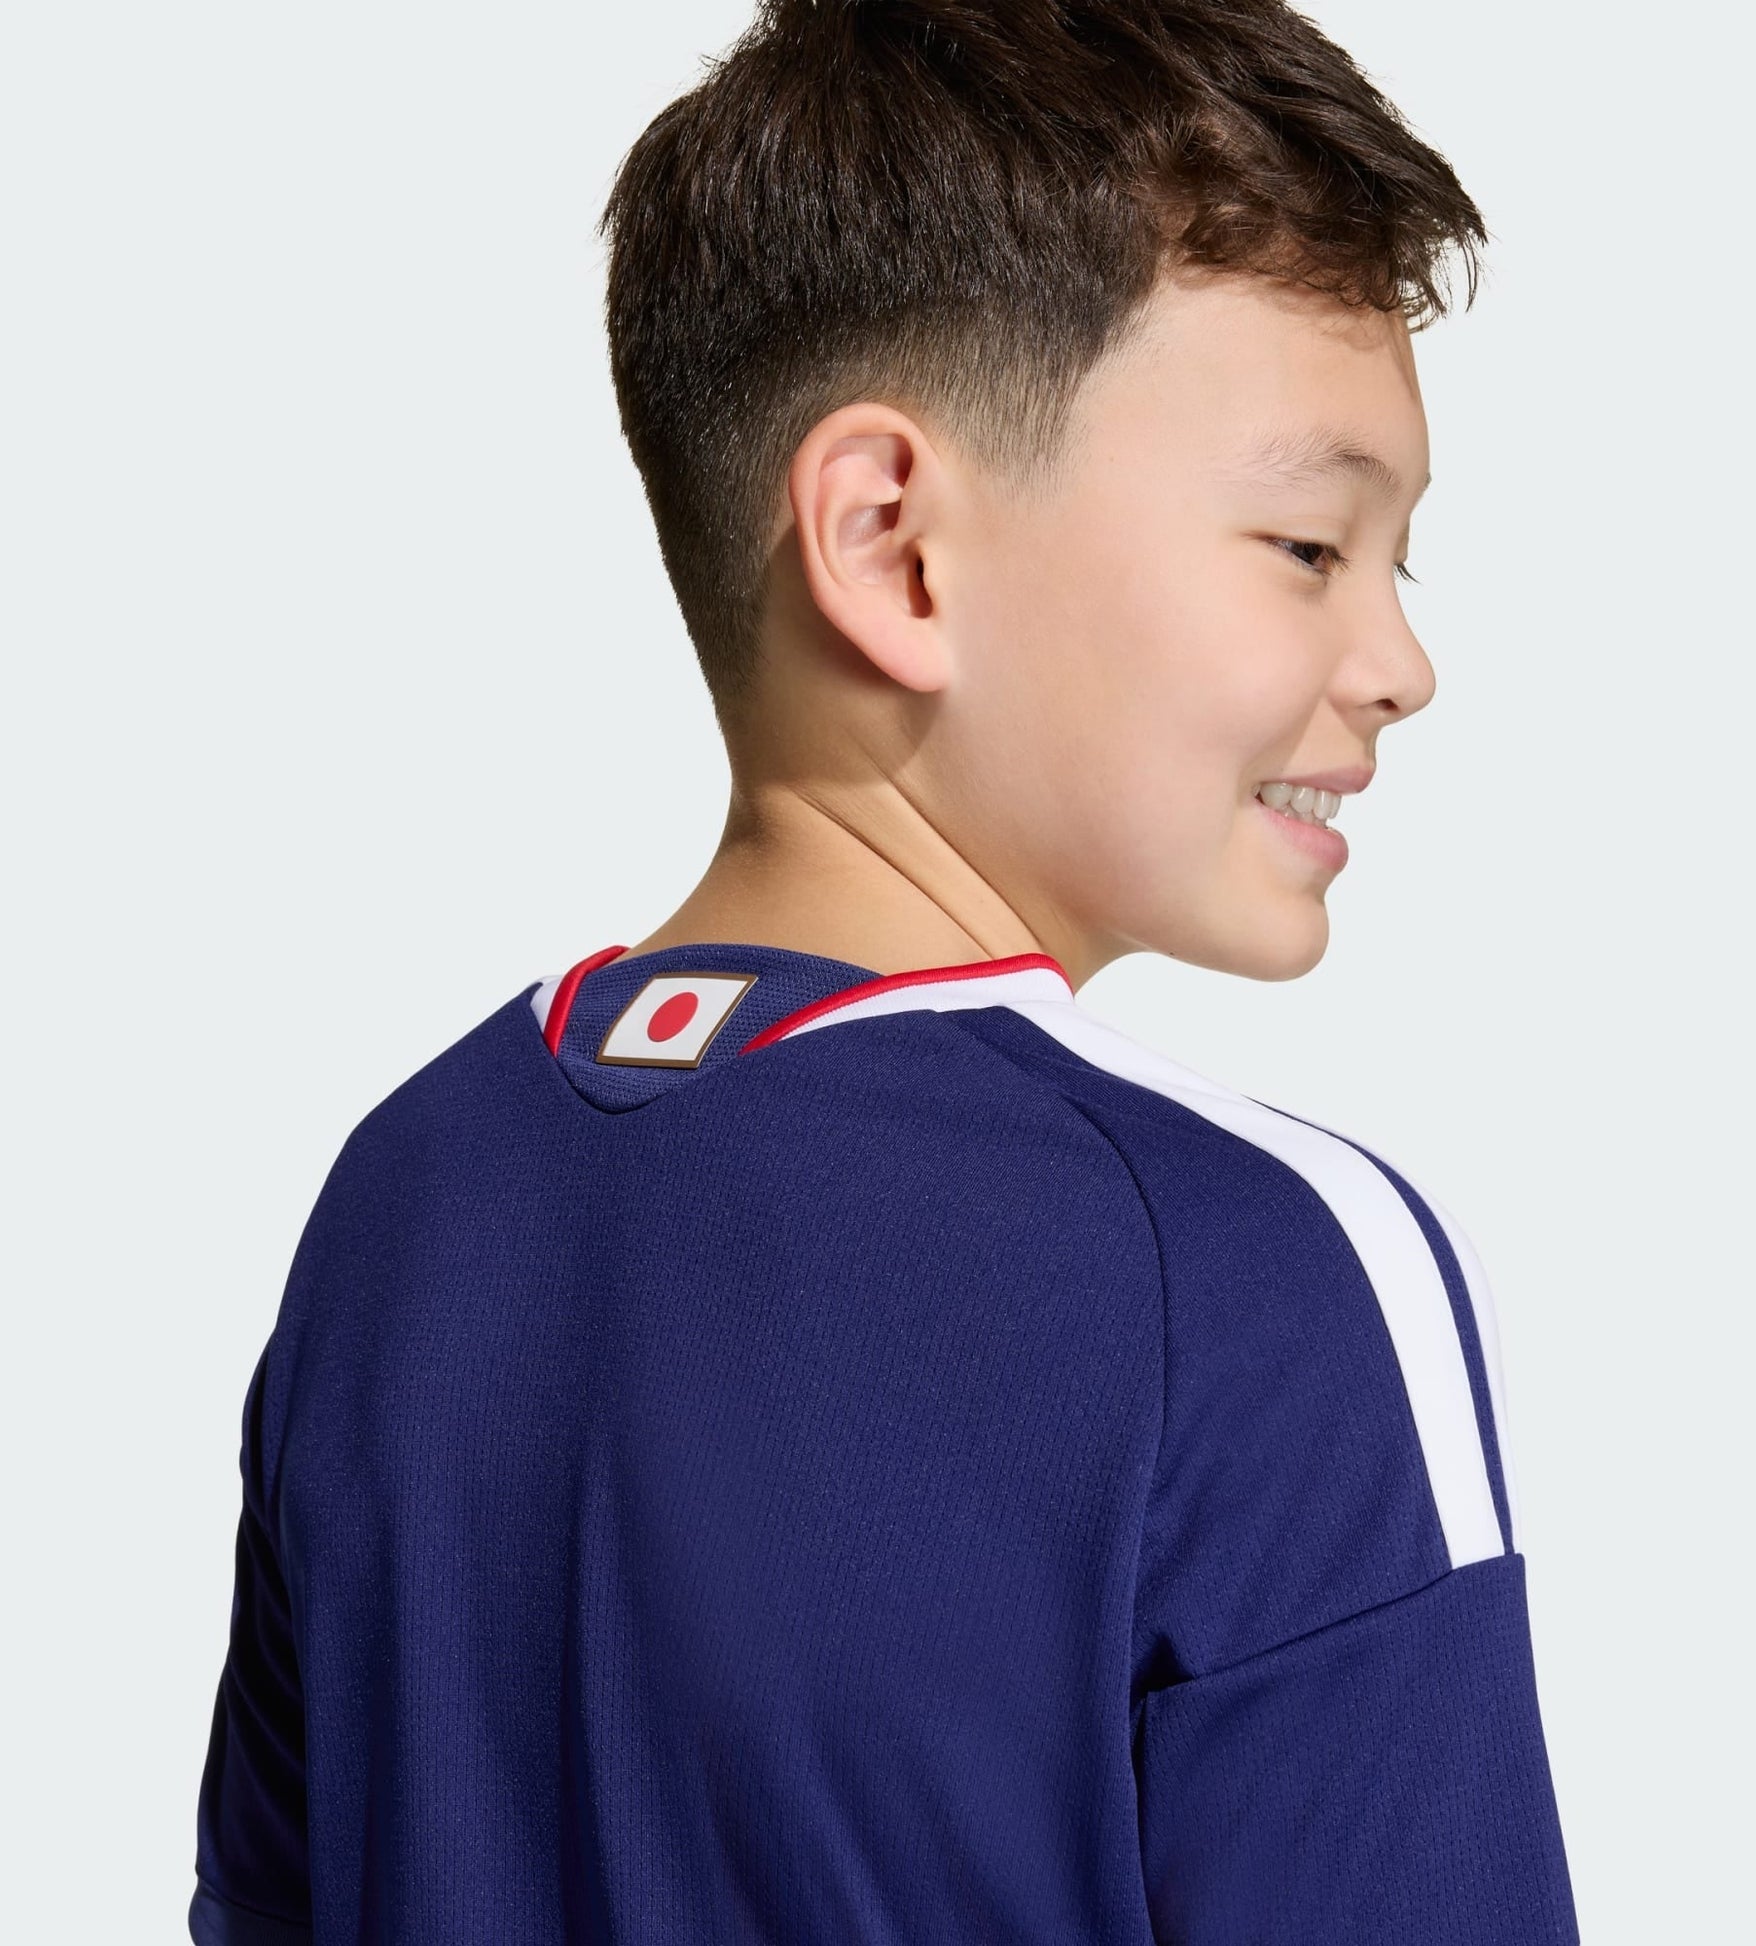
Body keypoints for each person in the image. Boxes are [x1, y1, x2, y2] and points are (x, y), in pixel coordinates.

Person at [189, 2, 1581, 1940]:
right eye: (1305, 544)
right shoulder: (1244, 1272)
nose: (1398, 665)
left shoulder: (403, 1196)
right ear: (890, 546)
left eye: (1395, 562)